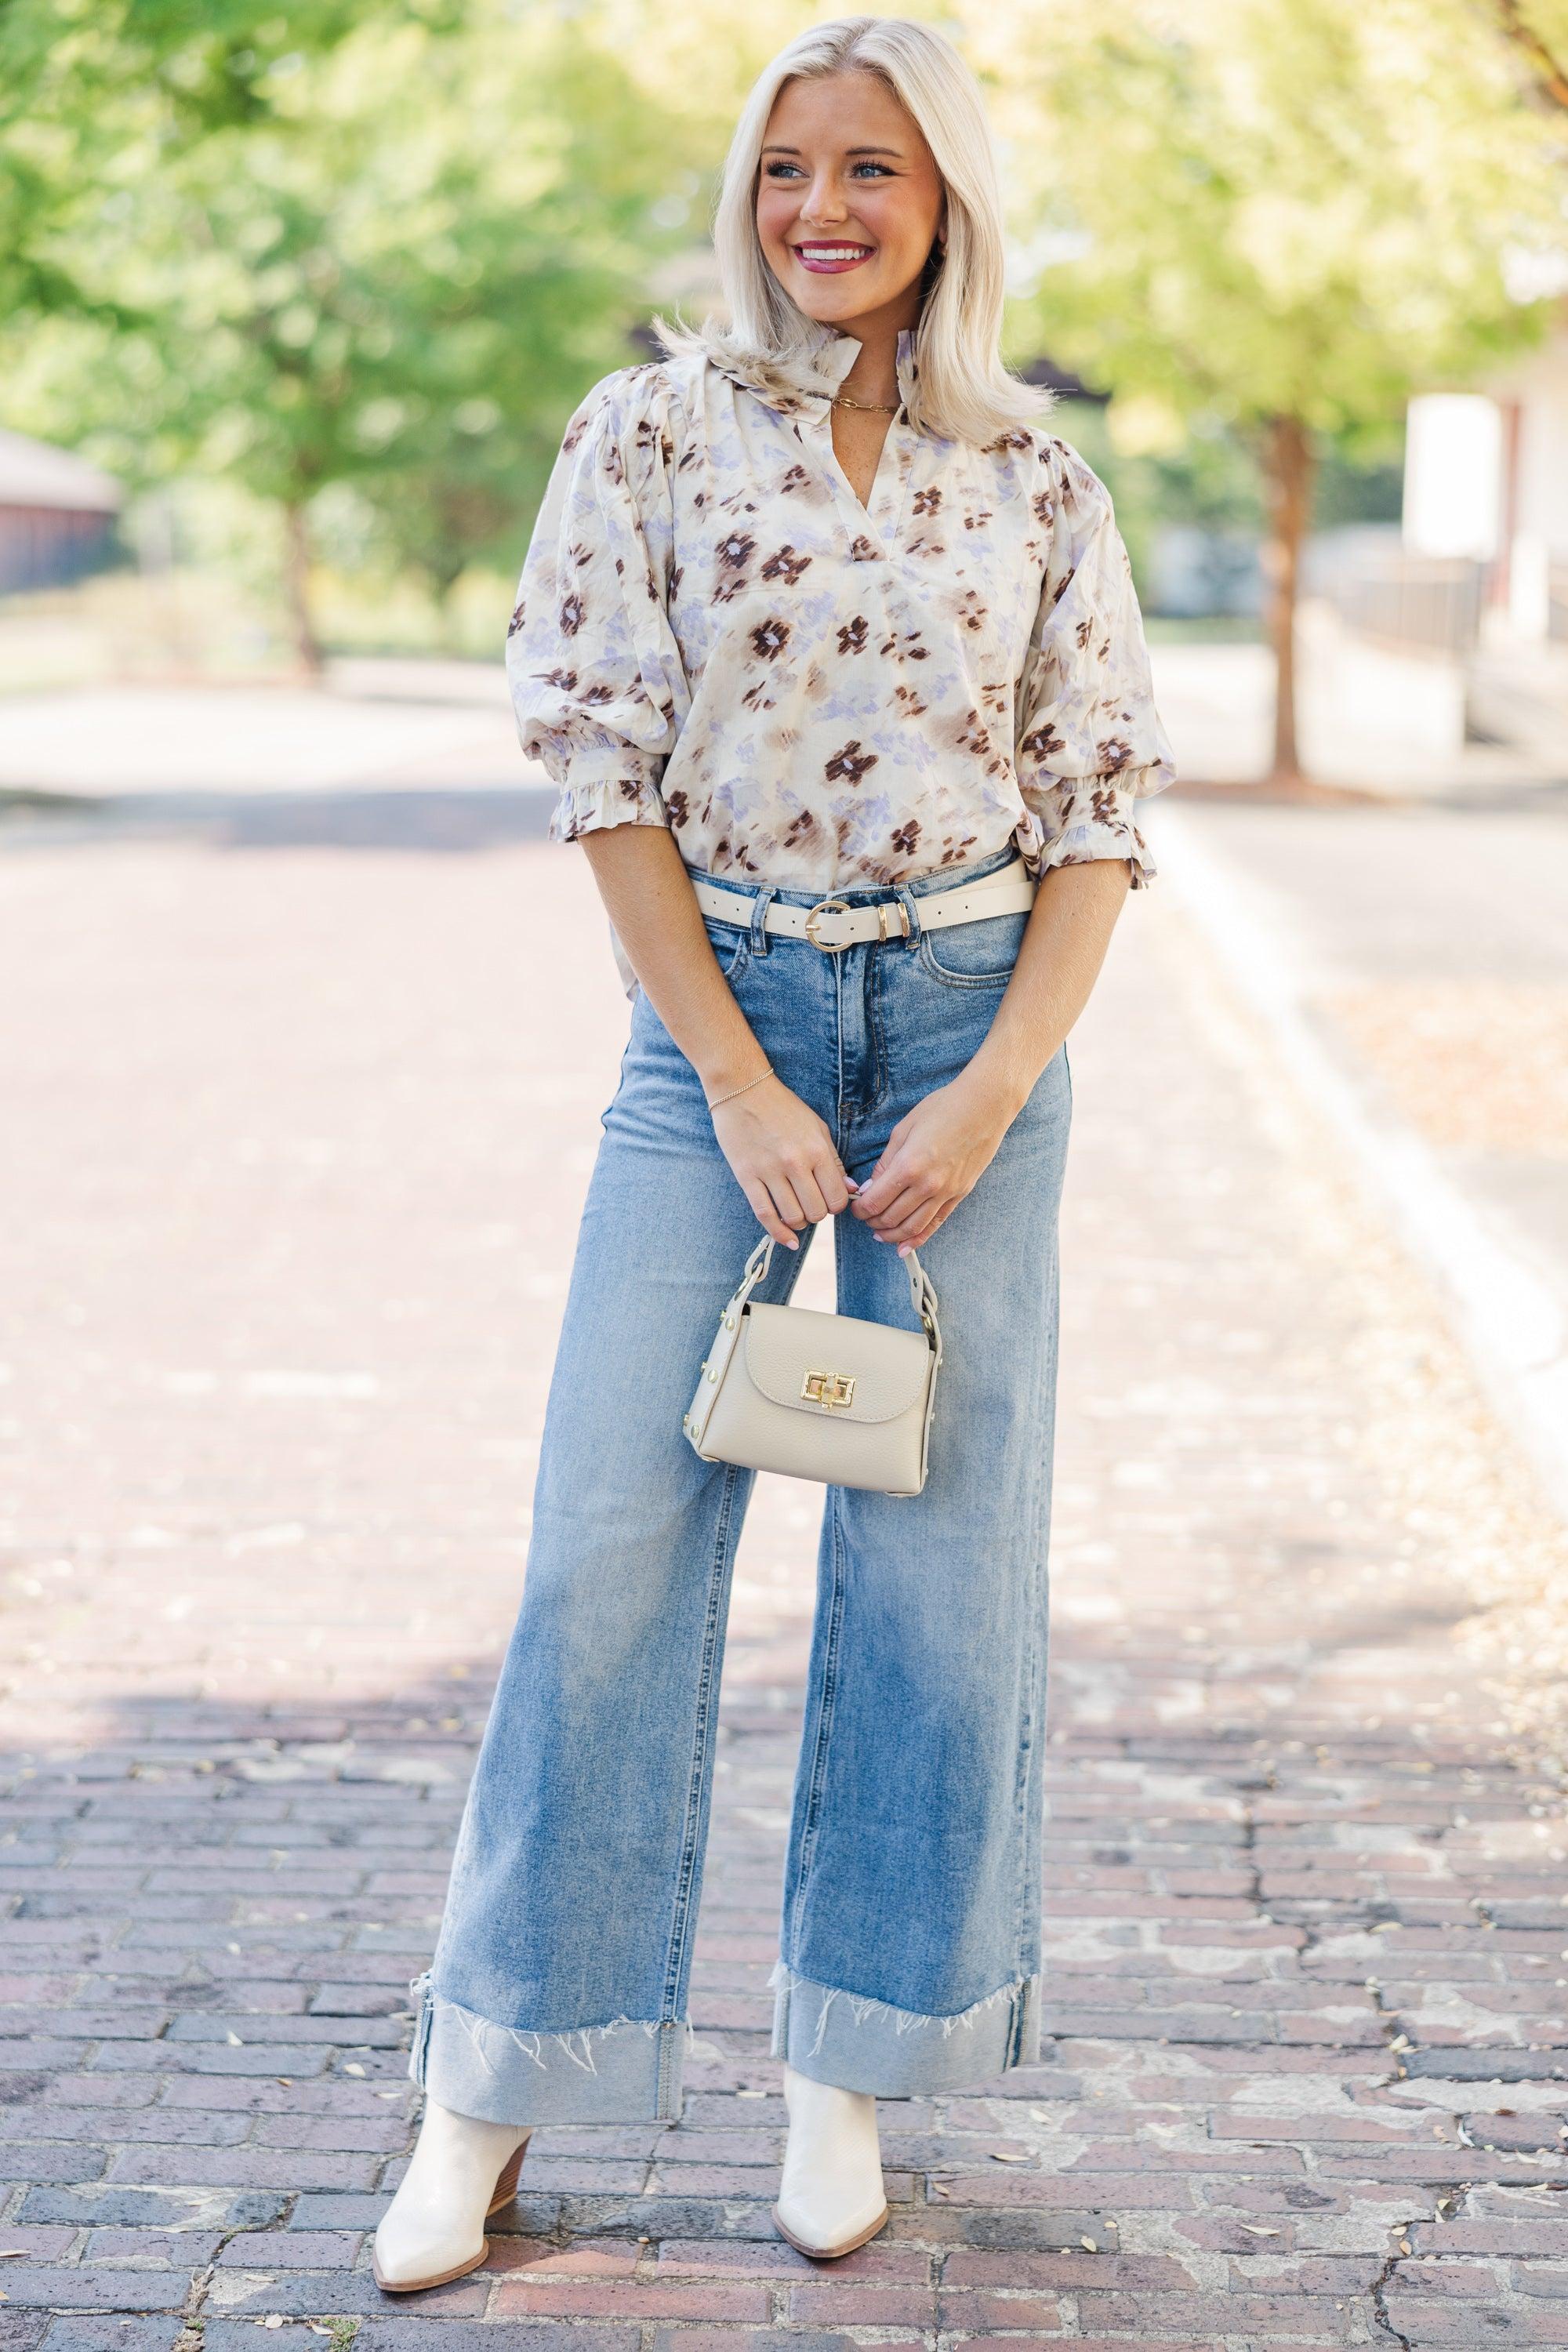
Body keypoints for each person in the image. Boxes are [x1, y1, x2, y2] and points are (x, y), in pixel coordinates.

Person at [372, 12, 1174, 2289]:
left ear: (950, 209)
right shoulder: (647, 431)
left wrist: (994, 1088)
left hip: (964, 1028)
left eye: (875, 173)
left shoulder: (1037, 480)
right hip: (713, 1029)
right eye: (790, 168)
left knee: (935, 1576)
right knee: (606, 1551)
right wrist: (727, 1070)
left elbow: (1099, 811)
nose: (821, 208)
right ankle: (494, 2085)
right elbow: (599, 766)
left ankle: (846, 2063)